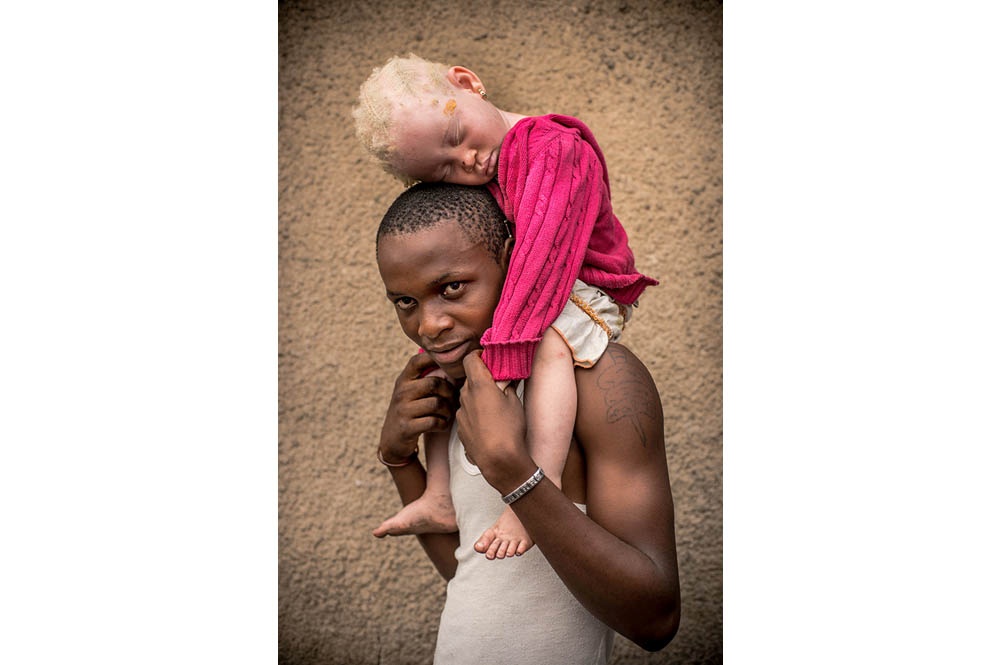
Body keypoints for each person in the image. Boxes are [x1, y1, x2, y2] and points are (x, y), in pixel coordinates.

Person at [355, 54, 658, 558]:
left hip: (584, 285)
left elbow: (542, 259)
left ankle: (541, 483)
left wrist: (506, 353)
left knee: (549, 348)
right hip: (528, 294)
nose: (468, 162)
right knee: (446, 362)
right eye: (445, 169)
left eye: (457, 137)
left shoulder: (555, 149)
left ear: (468, 82)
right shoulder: (490, 162)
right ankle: (437, 494)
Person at [373, 183, 679, 663]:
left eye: (451, 288)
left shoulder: (599, 376)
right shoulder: (466, 388)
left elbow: (655, 619)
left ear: (514, 264)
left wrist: (517, 475)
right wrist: (397, 458)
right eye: (405, 302)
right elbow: (471, 571)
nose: (428, 325)